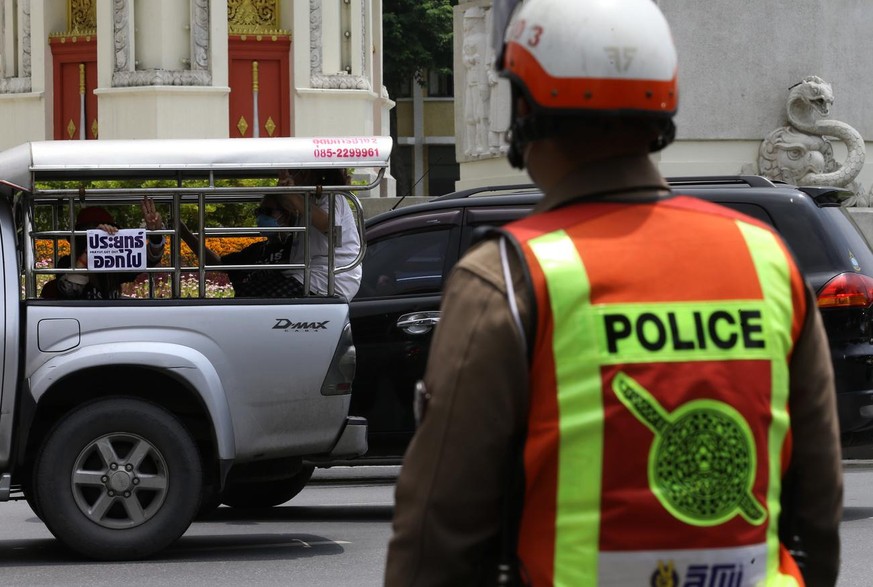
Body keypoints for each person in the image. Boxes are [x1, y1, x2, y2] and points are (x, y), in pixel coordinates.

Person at [385, 1, 842, 586]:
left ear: (527, 108)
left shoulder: (510, 278)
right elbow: (819, 500)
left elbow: (439, 530)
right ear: (664, 105)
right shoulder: (764, 258)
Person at [179, 168, 362, 300]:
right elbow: (218, 264)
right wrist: (184, 233)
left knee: (260, 302)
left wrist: (292, 196)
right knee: (247, 296)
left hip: (323, 278)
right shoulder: (259, 250)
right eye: (259, 212)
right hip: (306, 276)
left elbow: (329, 226)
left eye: (267, 212)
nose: (261, 217)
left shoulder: (329, 198)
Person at [43, 197, 165, 299]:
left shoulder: (114, 263)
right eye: (91, 234)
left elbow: (147, 260)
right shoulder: (67, 263)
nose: (102, 239)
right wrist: (93, 248)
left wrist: (155, 234)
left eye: (106, 236)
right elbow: (70, 290)